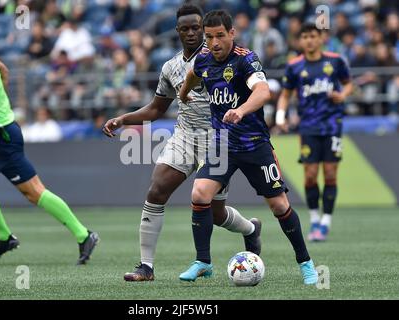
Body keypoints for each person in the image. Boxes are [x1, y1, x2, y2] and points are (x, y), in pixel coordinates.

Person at [103, 4, 261, 282]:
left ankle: (249, 229)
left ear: (204, 28)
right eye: (185, 29)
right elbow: (156, 109)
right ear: (177, 31)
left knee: (215, 211)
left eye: (196, 28)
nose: (191, 33)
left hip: (219, 138)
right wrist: (123, 119)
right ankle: (146, 267)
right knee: (156, 190)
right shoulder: (170, 67)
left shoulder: (222, 58)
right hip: (185, 135)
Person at [179, 10, 317, 285]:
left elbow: (264, 91)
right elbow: (194, 74)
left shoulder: (245, 60)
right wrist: (183, 93)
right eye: (209, 37)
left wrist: (241, 110)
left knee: (279, 205)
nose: (214, 42)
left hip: (255, 144)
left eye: (220, 36)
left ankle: (306, 262)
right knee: (200, 192)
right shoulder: (204, 59)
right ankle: (203, 262)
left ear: (232, 33)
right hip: (222, 145)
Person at [0, 21, 99, 264]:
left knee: (34, 192)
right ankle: (5, 237)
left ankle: (84, 235)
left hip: (3, 137)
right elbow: (4, 70)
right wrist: (2, 98)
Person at [276, 23, 353, 241]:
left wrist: (343, 95)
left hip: (332, 125)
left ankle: (326, 221)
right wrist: (281, 117)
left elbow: (348, 84)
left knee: (330, 173)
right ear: (300, 40)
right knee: (310, 176)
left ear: (321, 38)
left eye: (313, 36)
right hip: (308, 126)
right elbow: (285, 94)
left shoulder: (335, 61)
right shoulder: (294, 66)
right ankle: (314, 220)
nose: (309, 40)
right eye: (305, 36)